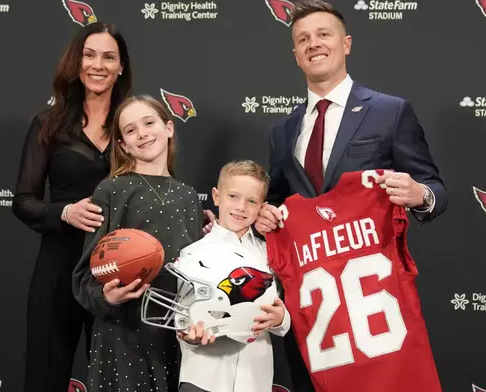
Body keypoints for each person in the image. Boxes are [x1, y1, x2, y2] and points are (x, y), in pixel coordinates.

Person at [255, 1, 448, 391]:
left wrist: (418, 194)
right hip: (315, 313)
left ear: (346, 43)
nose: (314, 44)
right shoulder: (283, 130)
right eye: (303, 39)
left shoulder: (390, 112)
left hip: (373, 306)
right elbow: (276, 198)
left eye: (323, 34)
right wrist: (266, 216)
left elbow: (436, 190)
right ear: (295, 56)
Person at [12, 22, 132, 392]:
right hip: (58, 270)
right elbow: (23, 202)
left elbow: (159, 187)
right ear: (76, 62)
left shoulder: (134, 124)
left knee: (120, 382)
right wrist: (64, 212)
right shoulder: (47, 123)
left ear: (121, 67)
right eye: (89, 54)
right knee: (45, 379)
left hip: (119, 273)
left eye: (108, 57)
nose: (98, 65)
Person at [72, 95, 204, 392]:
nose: (142, 133)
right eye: (130, 130)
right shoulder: (111, 190)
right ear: (122, 145)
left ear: (169, 127)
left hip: (176, 335)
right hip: (123, 333)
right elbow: (85, 277)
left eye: (149, 123)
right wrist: (107, 297)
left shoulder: (189, 197)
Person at [175, 160, 291, 392]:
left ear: (262, 206)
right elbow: (183, 320)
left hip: (255, 378)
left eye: (251, 201)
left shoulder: (268, 254)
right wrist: (189, 337)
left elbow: (282, 317)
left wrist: (280, 319)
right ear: (216, 197)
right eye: (233, 197)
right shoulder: (192, 253)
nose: (241, 207)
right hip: (203, 376)